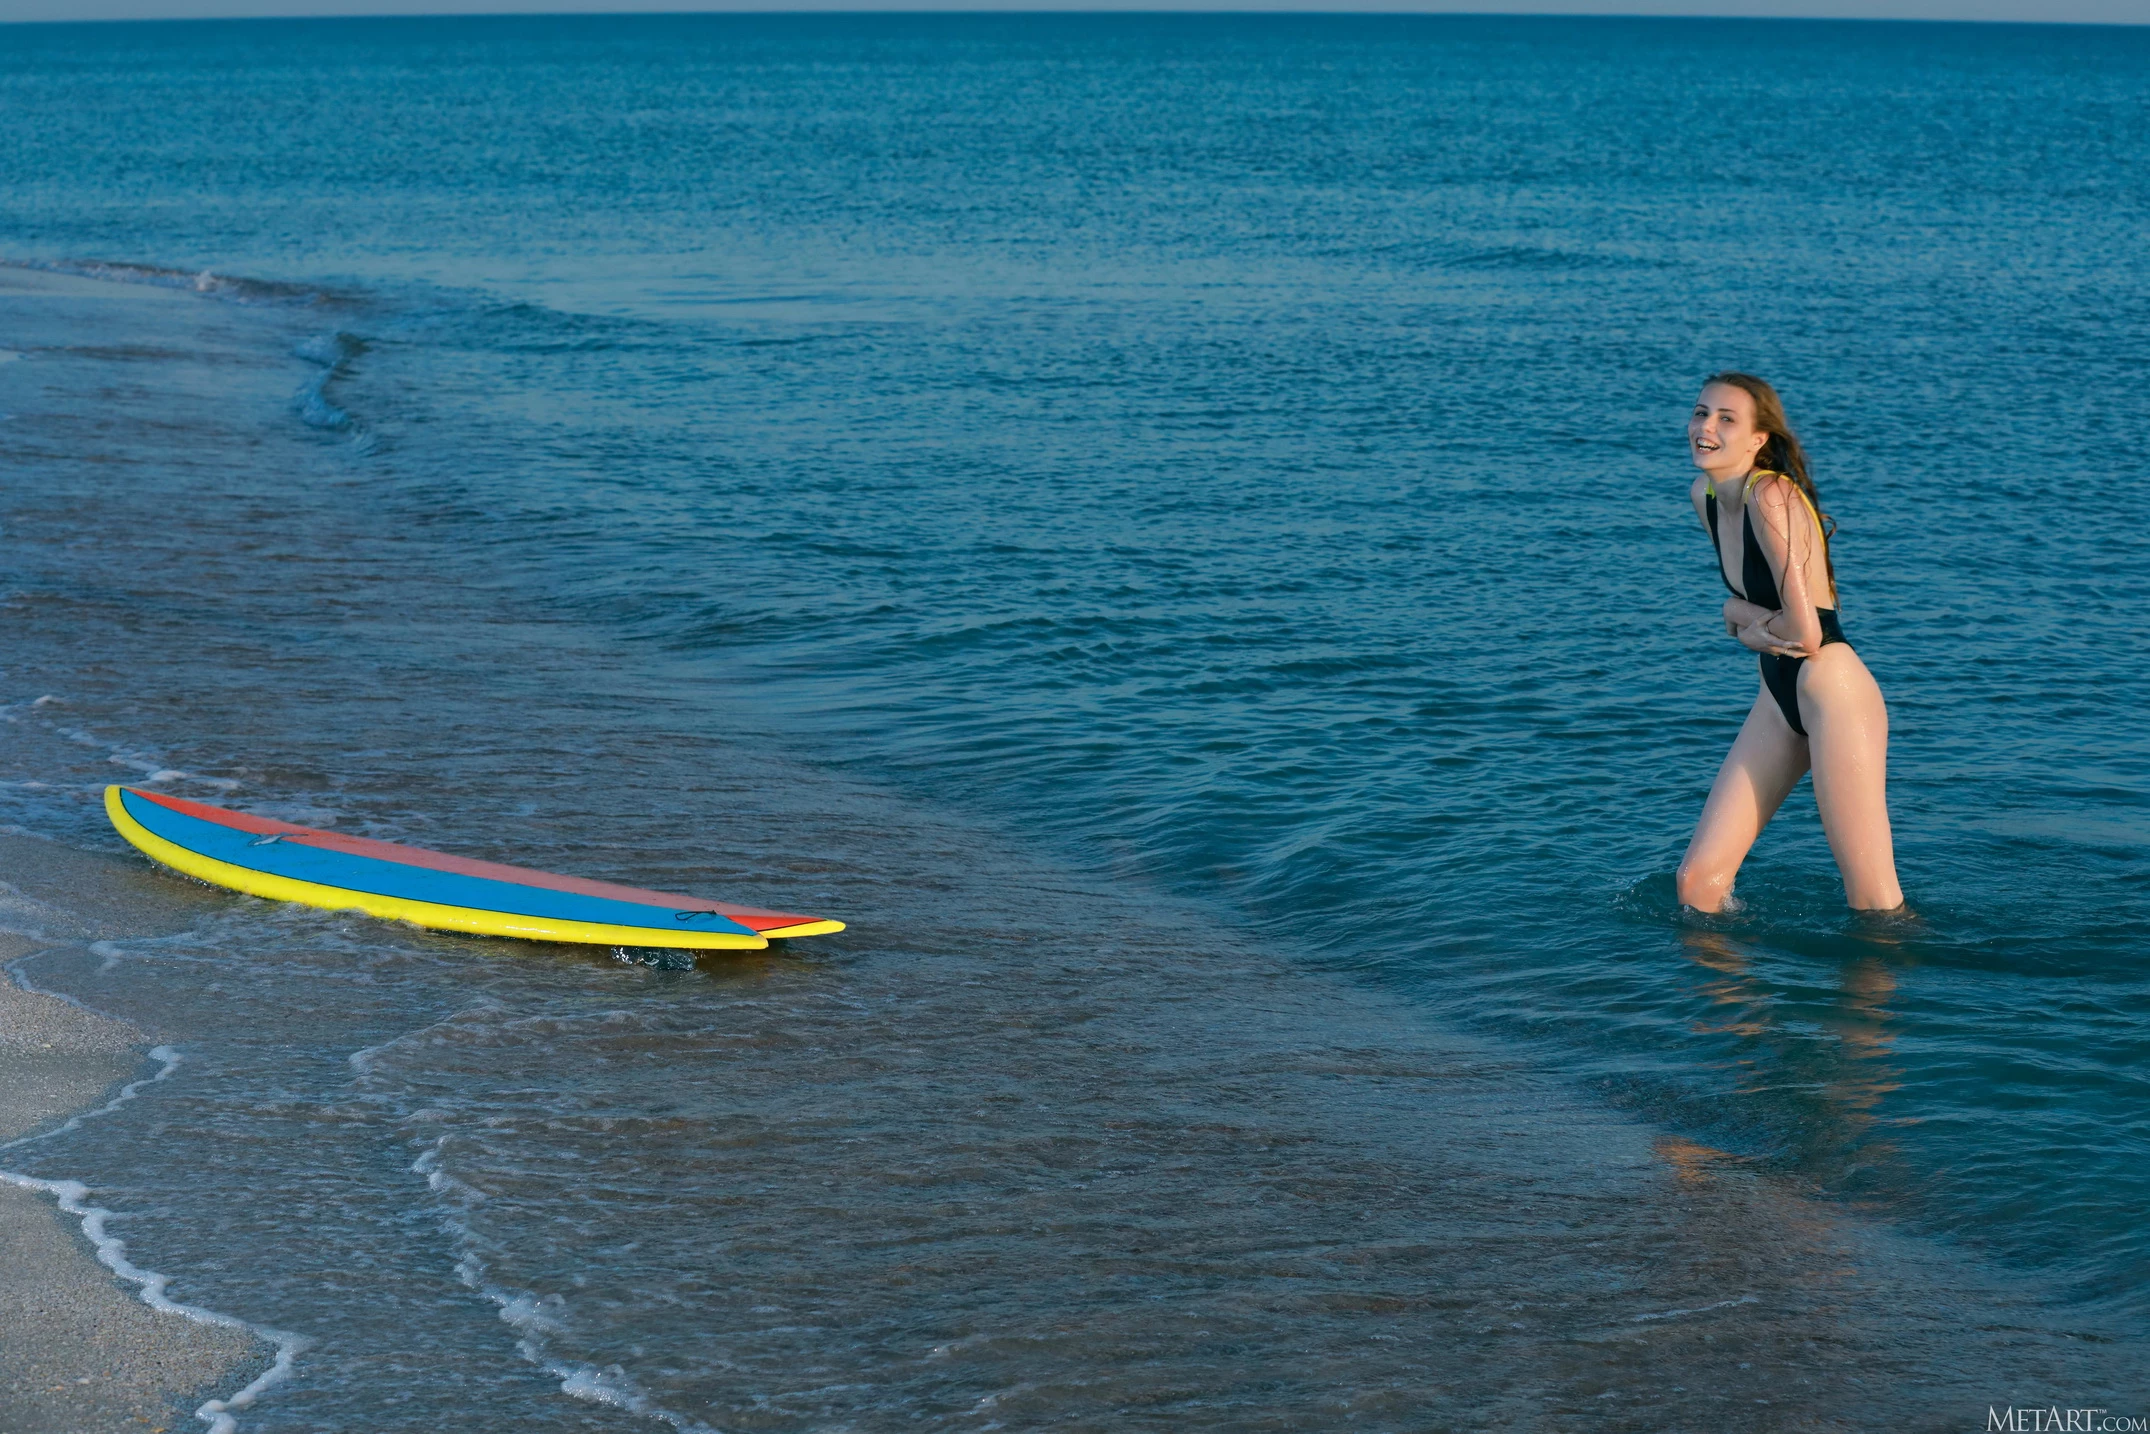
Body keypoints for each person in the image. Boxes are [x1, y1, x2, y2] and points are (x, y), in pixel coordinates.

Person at [1676, 373, 1903, 913]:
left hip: (1832, 690)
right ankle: (1734, 1000)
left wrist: (1743, 622)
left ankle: (1896, 992)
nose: (1706, 427)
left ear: (1758, 440)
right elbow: (1754, 610)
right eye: (1701, 412)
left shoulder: (1771, 494)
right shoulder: (1704, 497)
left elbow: (1804, 631)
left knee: (1872, 901)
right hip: (1777, 696)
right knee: (1697, 885)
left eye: (1726, 419)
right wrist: (1737, 613)